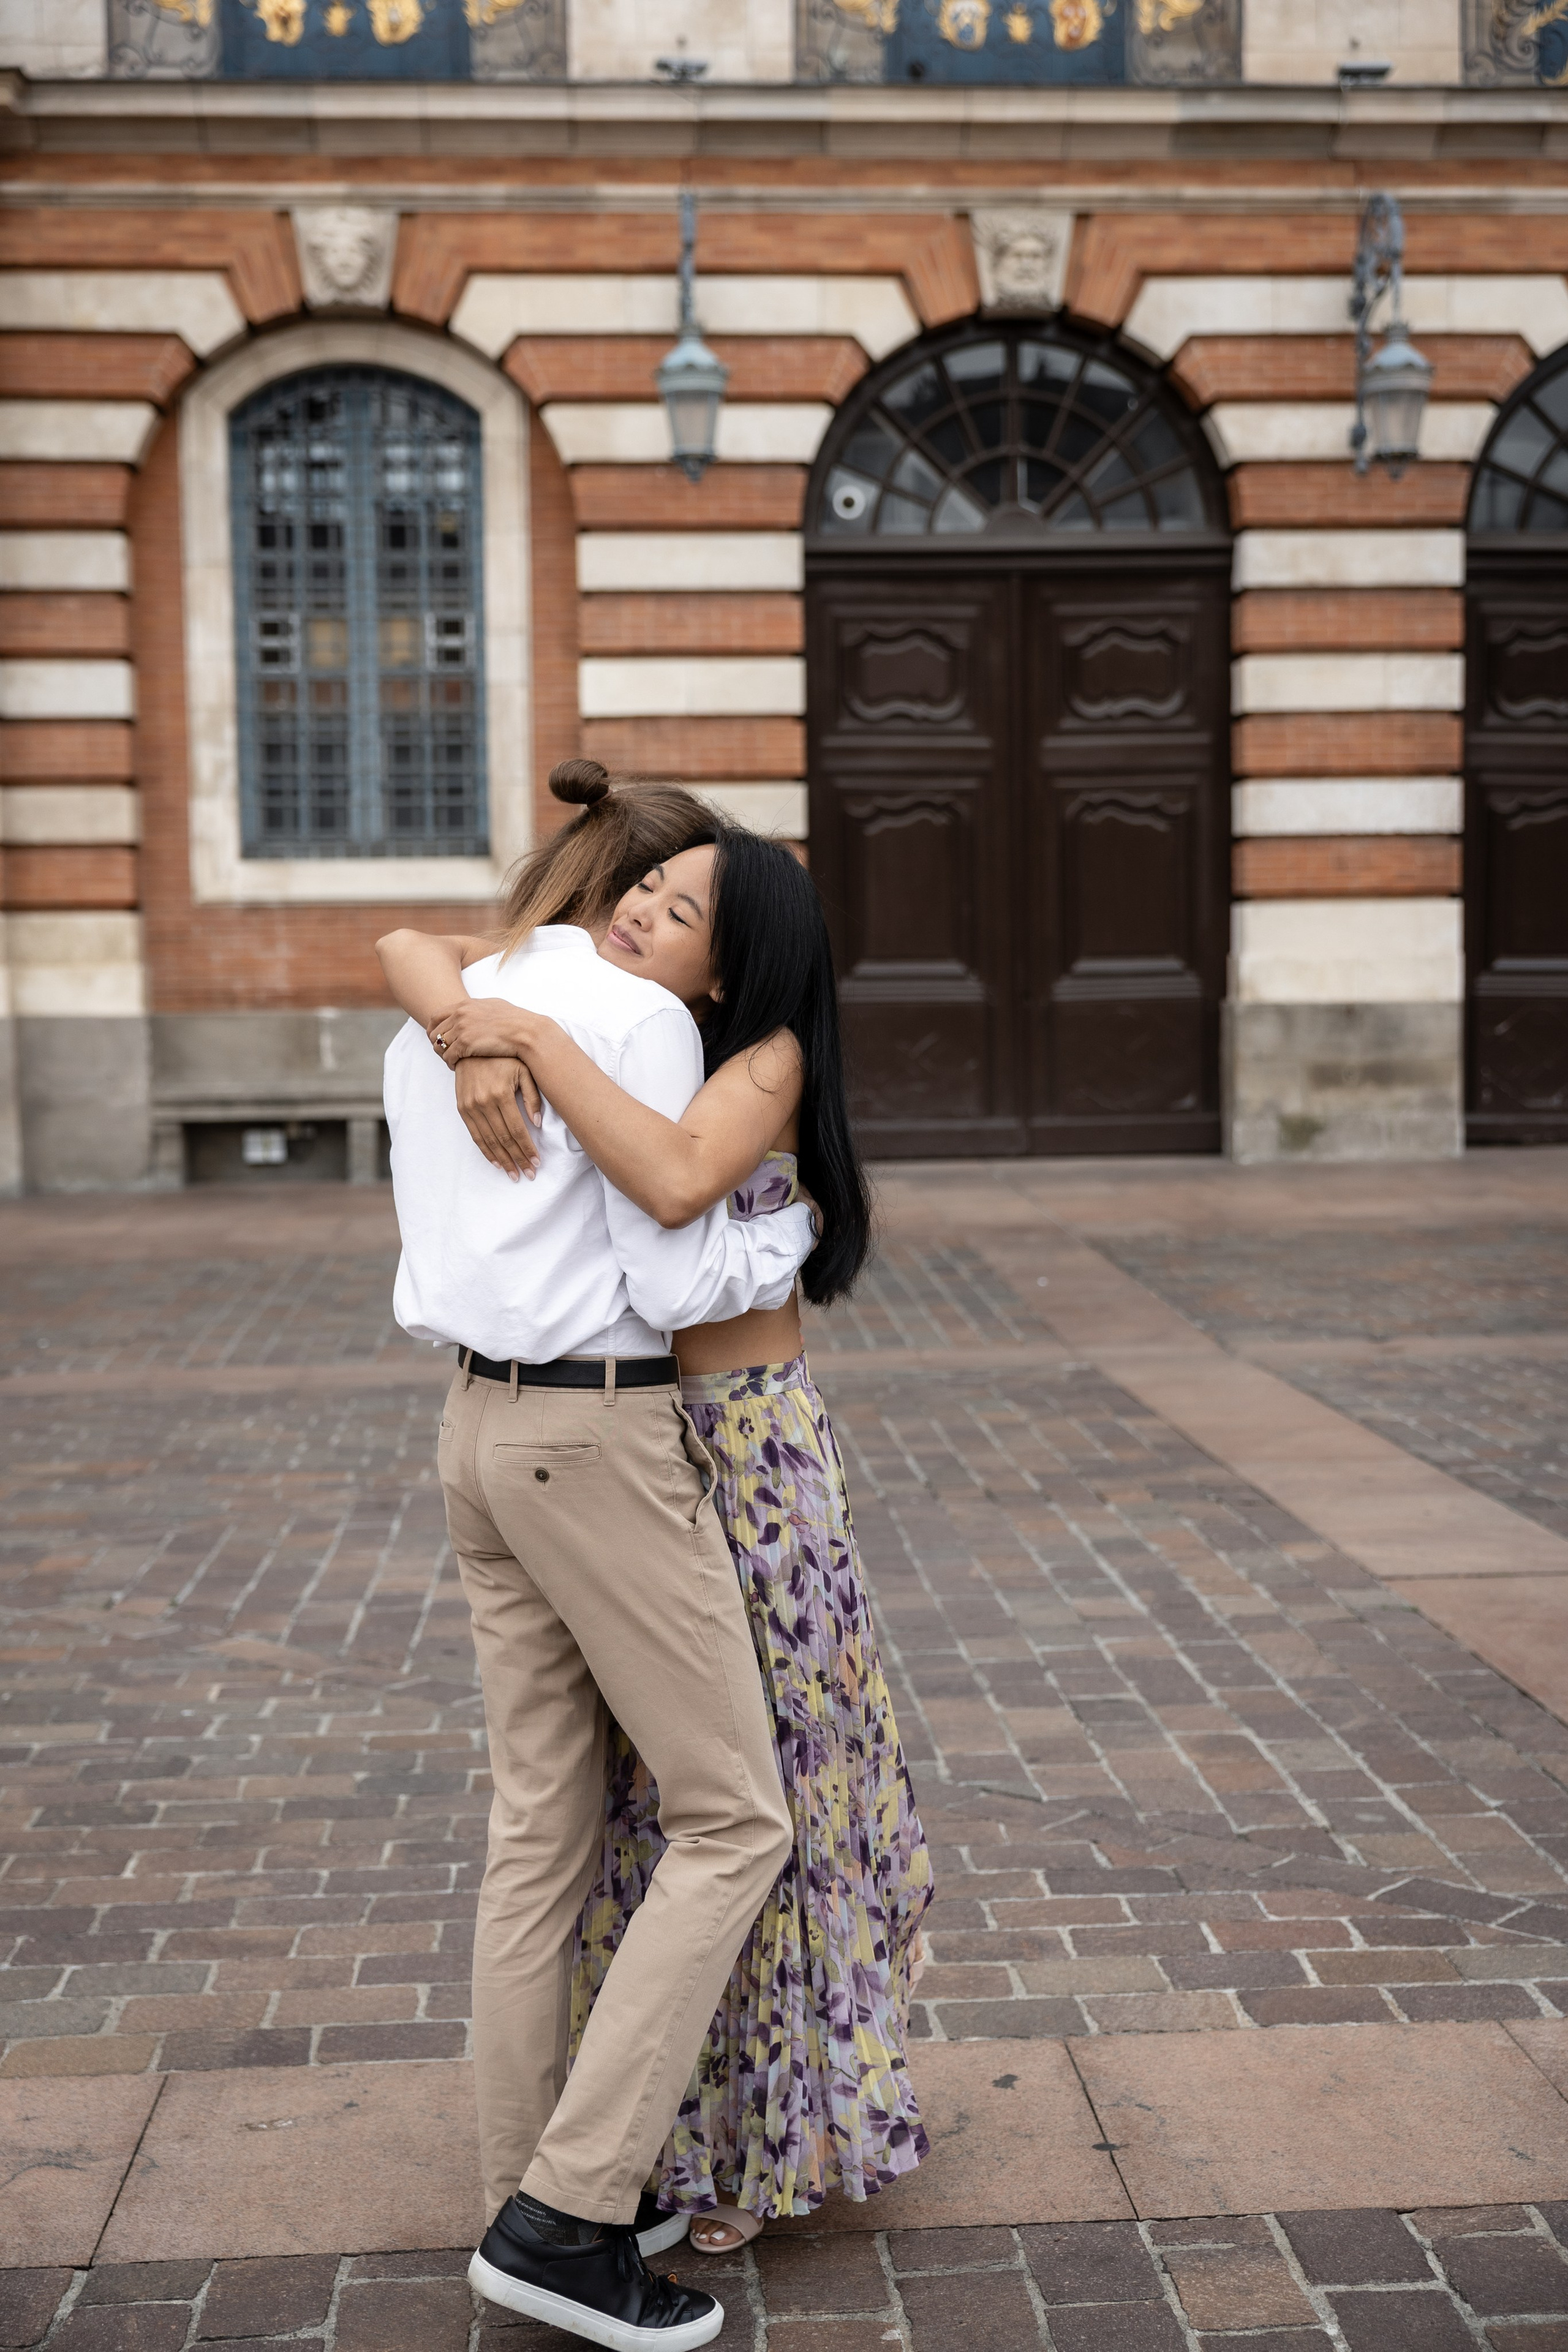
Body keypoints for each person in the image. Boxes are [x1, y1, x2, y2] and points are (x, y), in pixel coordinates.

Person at [380, 806, 933, 2261]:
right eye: (642, 886)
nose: (637, 913)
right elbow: (408, 943)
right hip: (618, 1445)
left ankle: (706, 2151)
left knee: (748, 1808)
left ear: (730, 962)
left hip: (726, 1452)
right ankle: (561, 2196)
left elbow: (679, 1220)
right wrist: (470, 1018)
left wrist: (499, 1031)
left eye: (679, 911)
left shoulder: (728, 1054)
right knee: (679, 1819)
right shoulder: (612, 1027)